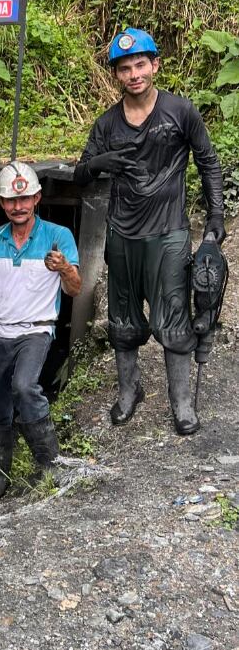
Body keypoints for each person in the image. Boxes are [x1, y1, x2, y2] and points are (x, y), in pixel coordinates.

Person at [74, 28, 225, 436]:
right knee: (122, 318)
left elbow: (208, 162)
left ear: (155, 65)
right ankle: (129, 392)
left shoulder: (180, 111)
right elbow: (79, 174)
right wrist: (100, 160)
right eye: (125, 68)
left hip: (169, 232)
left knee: (174, 317)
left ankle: (180, 403)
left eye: (141, 64)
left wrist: (216, 218)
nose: (134, 74)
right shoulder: (106, 123)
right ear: (116, 75)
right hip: (122, 234)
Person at [0, 163, 81, 503]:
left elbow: (75, 289)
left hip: (36, 329)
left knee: (24, 386)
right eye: (10, 200)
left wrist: (63, 268)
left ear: (36, 198)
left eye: (24, 199)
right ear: (2, 203)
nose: (17, 206)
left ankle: (49, 463)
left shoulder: (58, 236)